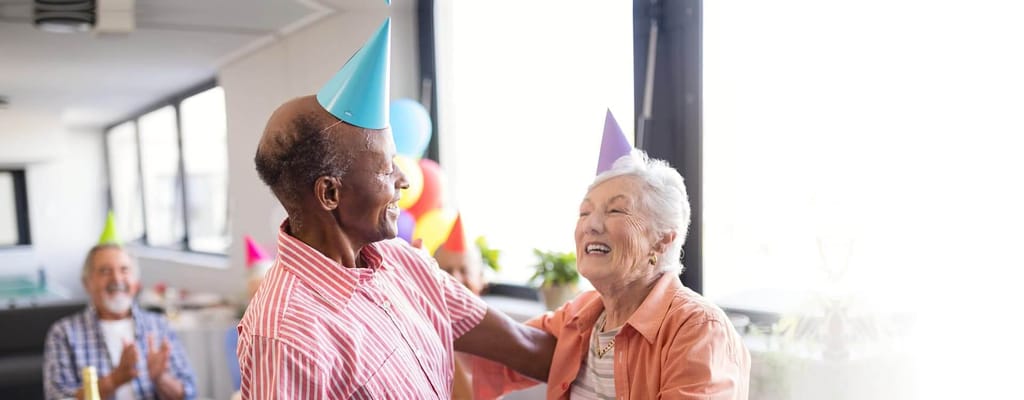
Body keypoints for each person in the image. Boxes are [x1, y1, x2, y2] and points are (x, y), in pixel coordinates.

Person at [238, 18, 554, 399]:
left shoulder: (404, 263)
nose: (404, 179)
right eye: (387, 167)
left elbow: (528, 348)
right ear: (330, 194)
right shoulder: (286, 331)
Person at [474, 150, 751, 399]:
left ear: (662, 239)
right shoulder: (582, 315)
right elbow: (491, 356)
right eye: (584, 212)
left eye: (616, 210)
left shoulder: (699, 328)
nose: (591, 225)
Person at [43, 243, 197, 400]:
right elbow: (57, 397)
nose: (116, 279)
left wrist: (160, 378)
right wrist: (115, 379)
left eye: (124, 270)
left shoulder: (159, 326)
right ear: (87, 283)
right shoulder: (63, 333)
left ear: (136, 283)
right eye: (105, 271)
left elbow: (189, 394)